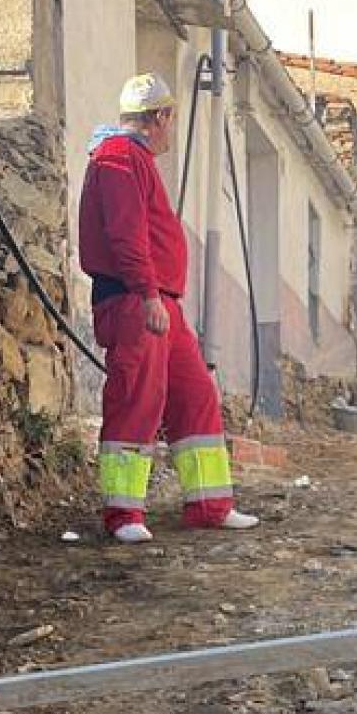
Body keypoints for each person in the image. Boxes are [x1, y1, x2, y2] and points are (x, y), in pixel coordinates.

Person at [79, 73, 258, 543]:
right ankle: (124, 516)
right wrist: (148, 293)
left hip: (157, 302)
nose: (170, 130)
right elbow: (125, 232)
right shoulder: (119, 157)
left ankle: (209, 506)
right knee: (137, 398)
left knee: (195, 395)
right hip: (138, 299)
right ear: (161, 117)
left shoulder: (128, 158)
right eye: (169, 121)